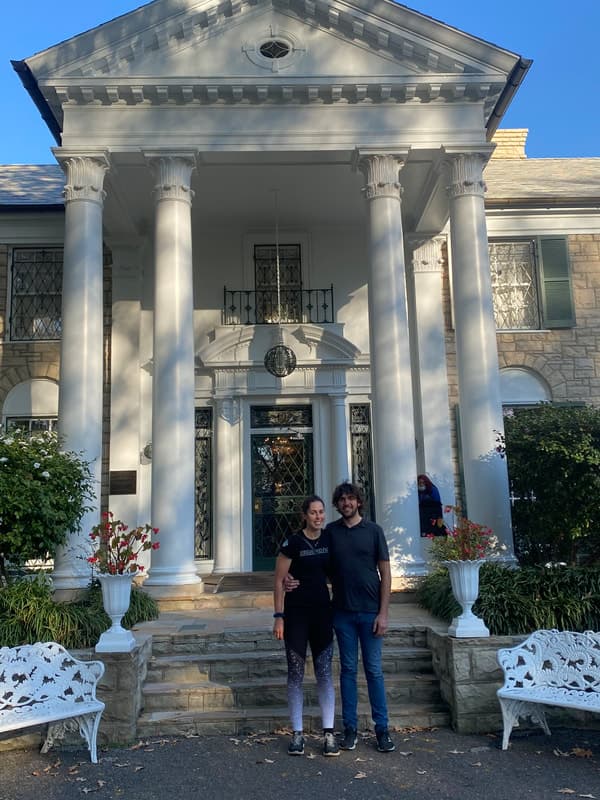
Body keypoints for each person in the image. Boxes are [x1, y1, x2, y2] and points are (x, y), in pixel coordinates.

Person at [284, 481, 395, 754]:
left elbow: (386, 573)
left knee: (374, 670)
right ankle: (350, 729)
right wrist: (288, 578)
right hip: (342, 612)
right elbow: (310, 558)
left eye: (351, 498)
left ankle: (382, 729)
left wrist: (383, 613)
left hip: (370, 612)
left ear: (359, 502)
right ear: (337, 504)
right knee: (347, 671)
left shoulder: (374, 531)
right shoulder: (330, 533)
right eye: (342, 499)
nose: (347, 503)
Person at [273, 495, 339, 758]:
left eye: (321, 512)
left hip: (322, 614)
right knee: (296, 674)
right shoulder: (292, 543)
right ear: (304, 515)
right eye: (313, 512)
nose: (318, 516)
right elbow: (279, 581)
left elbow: (337, 572)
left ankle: (329, 733)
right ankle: (297, 733)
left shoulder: (329, 539)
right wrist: (279, 616)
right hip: (296, 616)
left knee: (324, 673)